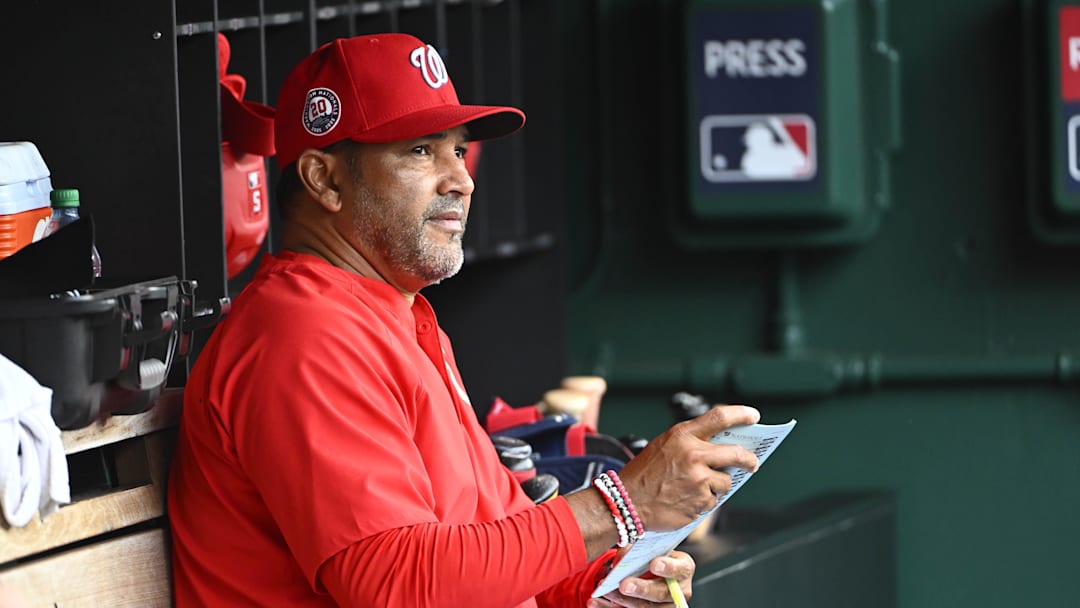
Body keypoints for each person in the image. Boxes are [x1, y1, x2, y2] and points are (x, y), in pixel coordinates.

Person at [167, 33, 762, 607]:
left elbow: (497, 537)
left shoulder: (397, 319)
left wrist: (602, 587)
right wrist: (621, 504)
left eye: (457, 148)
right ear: (325, 180)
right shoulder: (300, 334)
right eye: (420, 151)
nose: (462, 179)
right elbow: (395, 585)